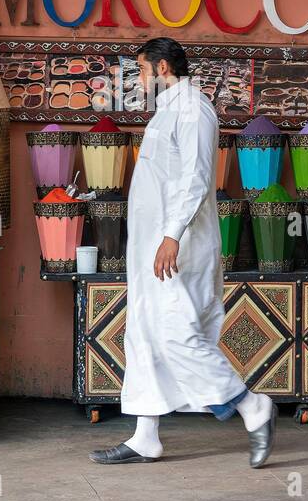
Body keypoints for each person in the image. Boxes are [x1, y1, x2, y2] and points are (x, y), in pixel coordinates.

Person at [90, 37, 276, 467]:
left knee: (177, 334)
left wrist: (172, 235)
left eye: (140, 69)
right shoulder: (168, 110)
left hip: (182, 250)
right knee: (145, 335)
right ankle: (145, 437)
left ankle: (251, 407)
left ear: (161, 68)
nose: (138, 79)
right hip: (156, 251)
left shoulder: (193, 109)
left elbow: (196, 178)